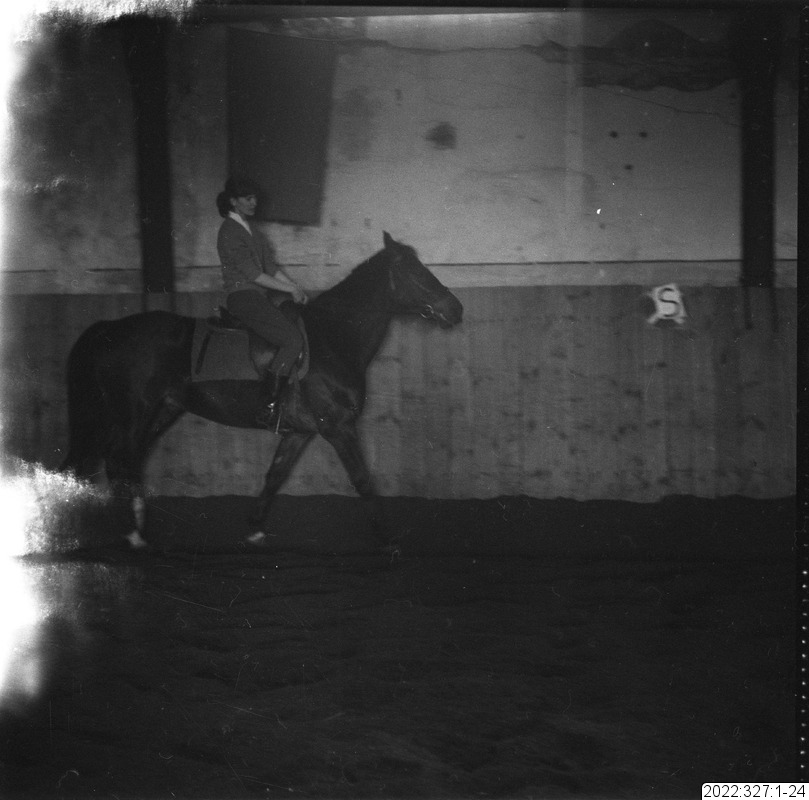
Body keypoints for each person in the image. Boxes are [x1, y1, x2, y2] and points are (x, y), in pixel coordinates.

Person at [215, 176, 307, 428]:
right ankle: (269, 405)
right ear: (233, 201)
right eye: (248, 198)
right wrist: (289, 288)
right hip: (242, 297)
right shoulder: (229, 231)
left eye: (254, 197)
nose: (254, 202)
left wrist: (295, 288)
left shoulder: (253, 231)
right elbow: (254, 275)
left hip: (259, 297)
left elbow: (271, 268)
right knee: (292, 340)